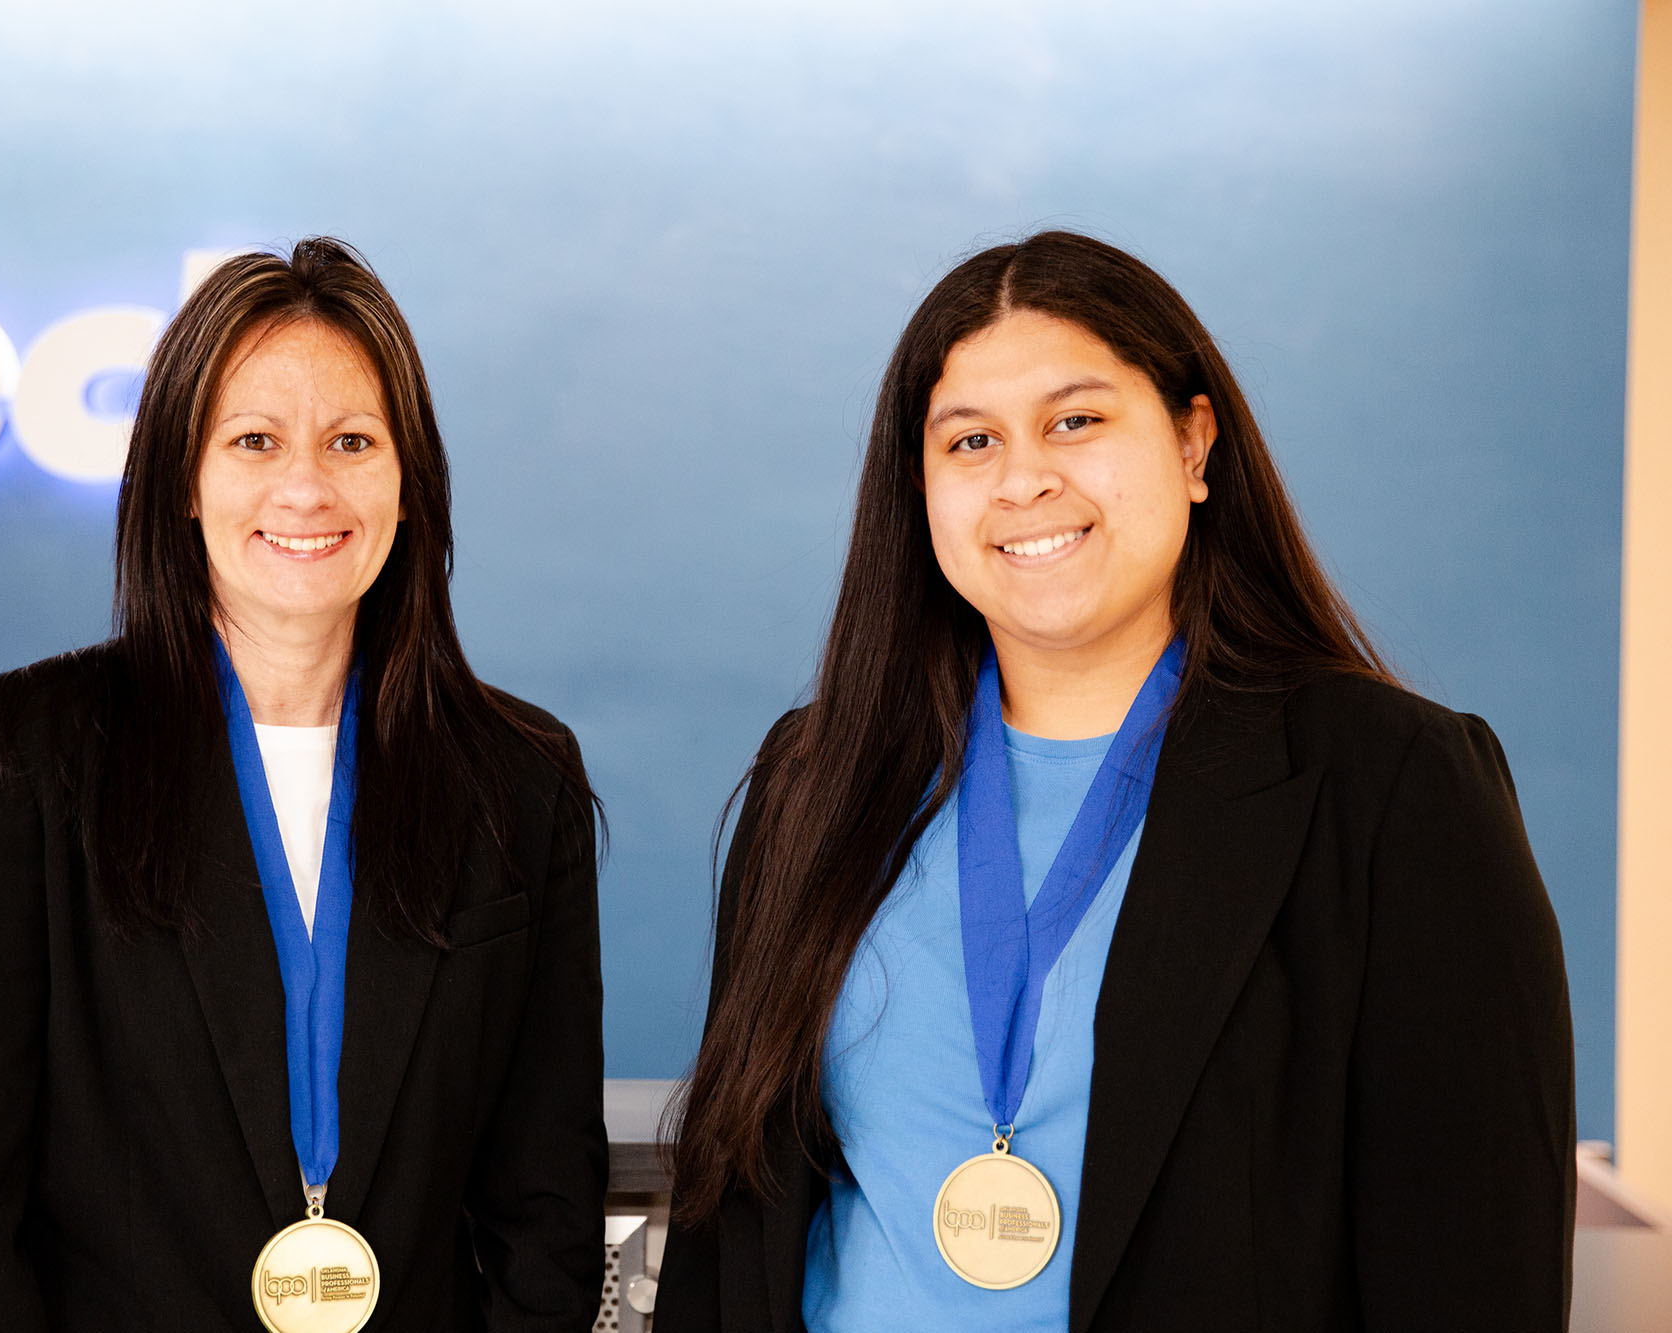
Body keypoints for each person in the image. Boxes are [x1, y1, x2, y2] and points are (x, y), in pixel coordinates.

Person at [655, 231, 1574, 1332]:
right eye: (968, 441)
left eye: (1075, 421)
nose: (1024, 476)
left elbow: (1474, 1268)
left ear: (1193, 446)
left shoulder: (1389, 787)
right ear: (919, 488)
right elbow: (728, 1229)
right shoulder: (814, 782)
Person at [0, 238, 608, 1331]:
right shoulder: (22, 758)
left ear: (408, 484)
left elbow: (546, 1203)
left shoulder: (517, 779)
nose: (304, 486)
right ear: (182, 477)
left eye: (351, 440)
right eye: (253, 440)